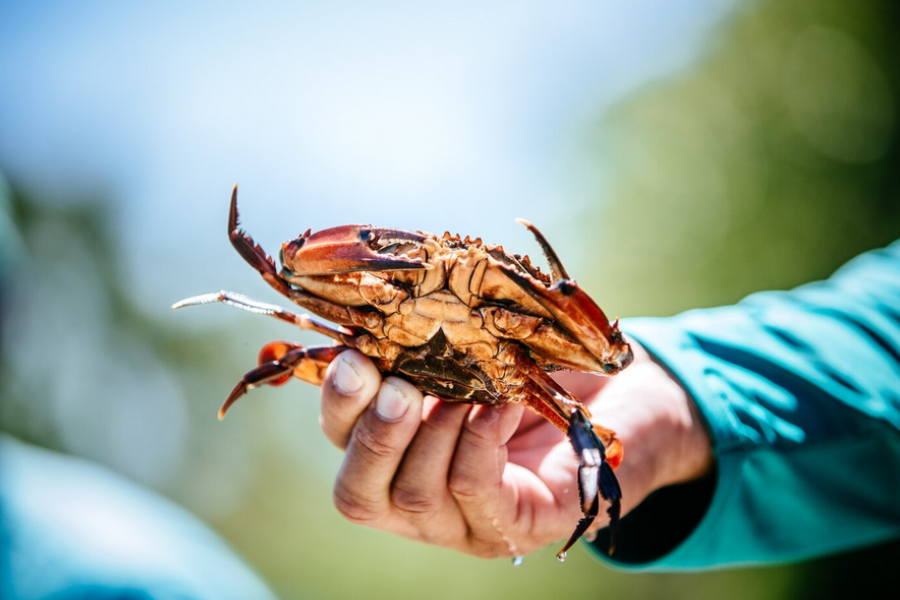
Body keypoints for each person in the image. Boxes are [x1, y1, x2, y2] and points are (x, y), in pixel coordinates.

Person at [316, 239, 900, 569]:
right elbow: (288, 271)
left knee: (584, 433)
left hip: (520, 382)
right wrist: (681, 399)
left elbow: (609, 359)